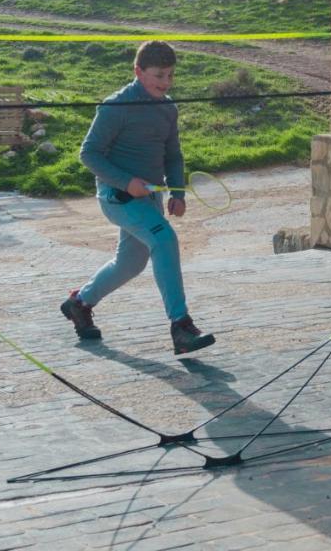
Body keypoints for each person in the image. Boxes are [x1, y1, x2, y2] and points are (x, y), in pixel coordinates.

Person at [60, 40, 216, 356]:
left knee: (130, 263)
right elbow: (88, 154)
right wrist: (126, 181)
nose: (166, 83)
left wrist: (177, 192)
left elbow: (173, 155)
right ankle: (181, 326)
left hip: (150, 199)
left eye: (171, 75)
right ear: (138, 71)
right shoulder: (115, 106)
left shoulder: (168, 109)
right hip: (117, 196)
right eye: (159, 75)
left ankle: (80, 303)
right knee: (165, 240)